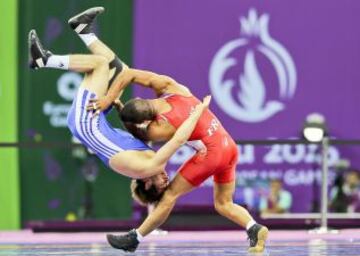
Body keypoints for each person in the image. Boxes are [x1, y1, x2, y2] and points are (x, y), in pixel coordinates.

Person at [76, 7, 268, 253]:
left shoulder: (161, 128)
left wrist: (109, 102)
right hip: (229, 147)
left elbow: (139, 134)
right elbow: (129, 74)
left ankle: (135, 238)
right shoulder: (172, 87)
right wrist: (117, 100)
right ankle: (254, 228)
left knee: (168, 197)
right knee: (223, 203)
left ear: (148, 121)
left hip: (211, 153)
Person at [28, 20, 211, 204]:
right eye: (167, 182)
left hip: (87, 124)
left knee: (99, 64)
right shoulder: (145, 160)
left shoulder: (149, 166)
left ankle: (43, 60)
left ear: (147, 184)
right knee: (121, 70)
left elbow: (179, 139)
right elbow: (132, 136)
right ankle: (84, 30)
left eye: (162, 184)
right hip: (95, 121)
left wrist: (199, 110)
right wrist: (119, 109)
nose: (166, 179)